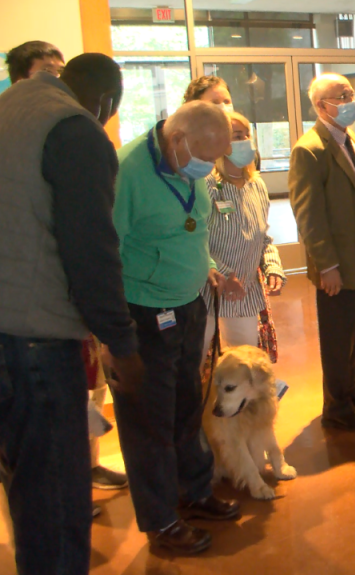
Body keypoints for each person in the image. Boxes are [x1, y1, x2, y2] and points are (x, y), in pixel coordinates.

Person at [0, 53, 144, 575]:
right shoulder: (76, 130)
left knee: (24, 488)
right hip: (35, 343)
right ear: (106, 100)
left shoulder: (13, 104)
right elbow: (91, 249)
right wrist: (121, 344)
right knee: (57, 502)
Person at [111, 101, 245, 555]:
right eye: (206, 158)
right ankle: (161, 521)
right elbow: (104, 251)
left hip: (189, 305)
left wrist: (208, 267)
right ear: (177, 140)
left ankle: (195, 489)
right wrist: (110, 335)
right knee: (149, 421)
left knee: (189, 405)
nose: (210, 168)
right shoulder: (128, 172)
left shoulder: (191, 168)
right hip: (145, 314)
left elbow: (193, 230)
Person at [290, 73, 355, 431]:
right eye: (340, 96)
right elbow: (308, 215)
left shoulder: (350, 139)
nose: (349, 100)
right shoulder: (309, 149)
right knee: (337, 335)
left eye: (350, 93)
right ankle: (337, 408)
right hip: (336, 262)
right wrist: (326, 264)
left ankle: (351, 387)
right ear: (320, 106)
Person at [201, 111, 285, 357]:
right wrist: (224, 274)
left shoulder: (256, 184)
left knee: (244, 359)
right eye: (237, 136)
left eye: (248, 135)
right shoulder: (207, 184)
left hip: (244, 294)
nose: (246, 141)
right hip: (208, 290)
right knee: (197, 360)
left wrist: (273, 267)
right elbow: (196, 240)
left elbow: (263, 238)